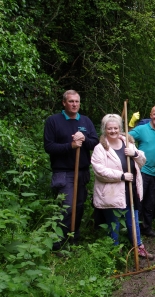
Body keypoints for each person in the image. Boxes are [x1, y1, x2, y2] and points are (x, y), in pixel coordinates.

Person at [91, 114, 154, 259]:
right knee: (114, 224)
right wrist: (121, 176)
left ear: (120, 128)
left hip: (131, 190)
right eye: (109, 128)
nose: (113, 131)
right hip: (112, 193)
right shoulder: (100, 148)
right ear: (104, 129)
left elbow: (142, 161)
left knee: (133, 220)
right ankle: (115, 254)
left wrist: (135, 153)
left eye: (116, 128)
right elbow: (99, 170)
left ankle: (139, 248)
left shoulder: (128, 143)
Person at [44, 90, 99, 250]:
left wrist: (84, 139)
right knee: (66, 207)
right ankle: (58, 243)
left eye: (77, 101)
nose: (74, 104)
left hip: (82, 171)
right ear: (64, 103)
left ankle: (74, 237)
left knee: (79, 206)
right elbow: (49, 146)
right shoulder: (53, 121)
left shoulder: (86, 121)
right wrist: (70, 146)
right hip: (63, 172)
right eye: (71, 101)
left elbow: (95, 143)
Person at [129, 106, 155, 238]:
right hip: (142, 172)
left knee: (151, 202)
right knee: (138, 201)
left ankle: (147, 228)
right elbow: (127, 138)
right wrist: (130, 125)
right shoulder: (142, 129)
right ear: (151, 115)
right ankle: (135, 229)